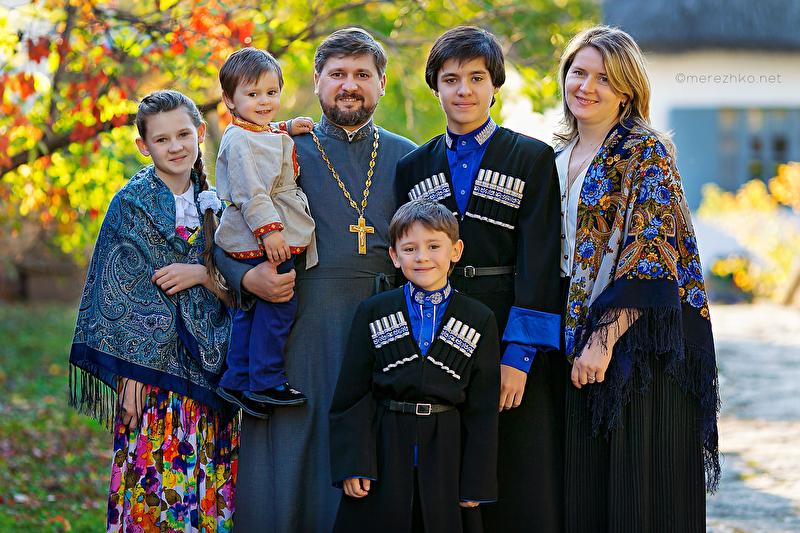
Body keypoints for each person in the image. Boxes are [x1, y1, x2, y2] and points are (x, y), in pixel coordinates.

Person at [214, 28, 417, 532]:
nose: (350, 85)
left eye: (362, 74)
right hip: (299, 329)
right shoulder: (279, 146)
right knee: (292, 463)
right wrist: (248, 279)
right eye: (337, 74)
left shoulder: (407, 156)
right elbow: (227, 231)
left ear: (382, 83)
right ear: (318, 81)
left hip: (384, 331)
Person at [394, 26, 566, 532]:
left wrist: (519, 355)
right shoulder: (413, 167)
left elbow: (540, 258)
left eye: (476, 78)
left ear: (495, 85)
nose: (464, 90)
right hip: (440, 330)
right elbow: (407, 259)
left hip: (509, 325)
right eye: (451, 79)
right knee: (449, 465)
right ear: (436, 87)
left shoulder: (531, 158)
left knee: (517, 468)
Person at [554, 25, 720, 532]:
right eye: (578, 72)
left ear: (626, 90)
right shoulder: (556, 155)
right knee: (586, 489)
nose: (586, 86)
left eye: (604, 78)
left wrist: (603, 341)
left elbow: (652, 252)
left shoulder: (646, 151)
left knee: (635, 492)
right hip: (573, 334)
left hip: (637, 344)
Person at [68, 90, 239, 532]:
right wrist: (129, 376)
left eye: (183, 134)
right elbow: (116, 295)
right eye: (161, 139)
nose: (175, 146)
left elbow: (239, 295)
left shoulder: (221, 205)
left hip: (211, 381)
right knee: (155, 491)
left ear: (200, 133)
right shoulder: (131, 204)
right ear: (143, 146)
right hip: (151, 382)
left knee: (205, 489)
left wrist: (202, 275)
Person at [329, 199, 500, 533]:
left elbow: (482, 409)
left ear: (456, 251)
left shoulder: (479, 319)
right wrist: (353, 465)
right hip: (385, 451)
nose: (422, 257)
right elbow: (352, 397)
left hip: (447, 455)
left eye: (434, 246)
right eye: (409, 249)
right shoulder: (374, 312)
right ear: (395, 256)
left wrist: (476, 481)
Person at [213, 47, 317, 412]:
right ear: (229, 99)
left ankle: (236, 379)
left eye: (271, 93)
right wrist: (270, 231)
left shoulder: (253, 130)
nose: (264, 101)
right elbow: (250, 191)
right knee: (280, 303)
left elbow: (264, 138)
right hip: (259, 234)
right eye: (253, 94)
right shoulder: (238, 140)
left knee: (253, 308)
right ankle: (267, 379)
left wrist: (287, 127)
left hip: (253, 235)